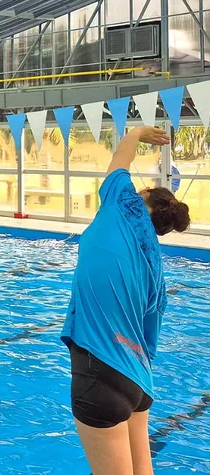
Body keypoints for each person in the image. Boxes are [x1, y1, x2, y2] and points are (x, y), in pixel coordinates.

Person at [61, 126, 190, 475]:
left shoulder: (121, 204)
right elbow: (150, 340)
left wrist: (135, 132)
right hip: (138, 381)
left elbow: (121, 159)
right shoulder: (155, 267)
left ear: (142, 194)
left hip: (99, 370)